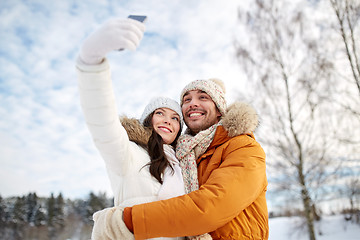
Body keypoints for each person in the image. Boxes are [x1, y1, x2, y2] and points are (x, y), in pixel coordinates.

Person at [92, 79, 269, 239]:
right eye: (186, 100)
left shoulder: (244, 147)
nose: (193, 104)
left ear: (219, 111)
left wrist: (129, 221)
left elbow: (209, 208)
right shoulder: (186, 157)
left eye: (203, 97)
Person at [76, 18, 190, 240]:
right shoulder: (127, 152)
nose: (168, 120)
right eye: (160, 113)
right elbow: (102, 120)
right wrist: (90, 63)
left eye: (175, 118)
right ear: (147, 120)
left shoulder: (184, 166)